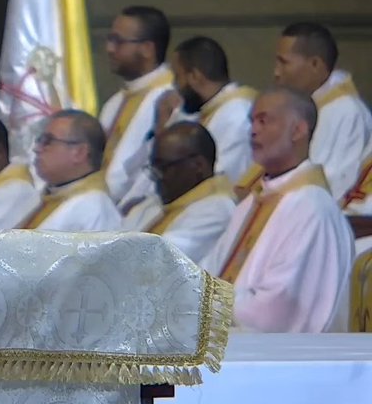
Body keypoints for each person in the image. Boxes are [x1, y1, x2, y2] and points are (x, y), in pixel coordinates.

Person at [201, 88, 355, 332]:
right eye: (252, 121)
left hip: (280, 359)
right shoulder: (251, 203)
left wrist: (205, 307)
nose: (252, 130)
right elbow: (210, 272)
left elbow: (277, 308)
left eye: (264, 121)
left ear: (298, 130)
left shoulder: (312, 208)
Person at [273, 22, 372, 199]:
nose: (276, 73)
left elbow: (331, 185)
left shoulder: (345, 111)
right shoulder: (304, 107)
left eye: (284, 63)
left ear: (315, 64)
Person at [99, 6, 174, 207]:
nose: (110, 49)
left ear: (147, 49)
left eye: (118, 41)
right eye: (109, 39)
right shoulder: (114, 102)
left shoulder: (169, 99)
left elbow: (149, 170)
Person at [157, 36, 256, 186]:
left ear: (195, 77)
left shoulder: (236, 116)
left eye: (178, 77)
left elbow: (224, 179)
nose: (175, 87)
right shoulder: (211, 108)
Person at [136, 123, 235, 263]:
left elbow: (159, 260)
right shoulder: (157, 203)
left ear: (198, 166)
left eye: (164, 167)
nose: (157, 177)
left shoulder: (216, 210)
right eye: (154, 168)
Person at [23, 109, 122, 231]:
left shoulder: (94, 208)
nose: (37, 149)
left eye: (48, 141)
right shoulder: (51, 194)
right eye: (40, 141)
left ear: (79, 152)